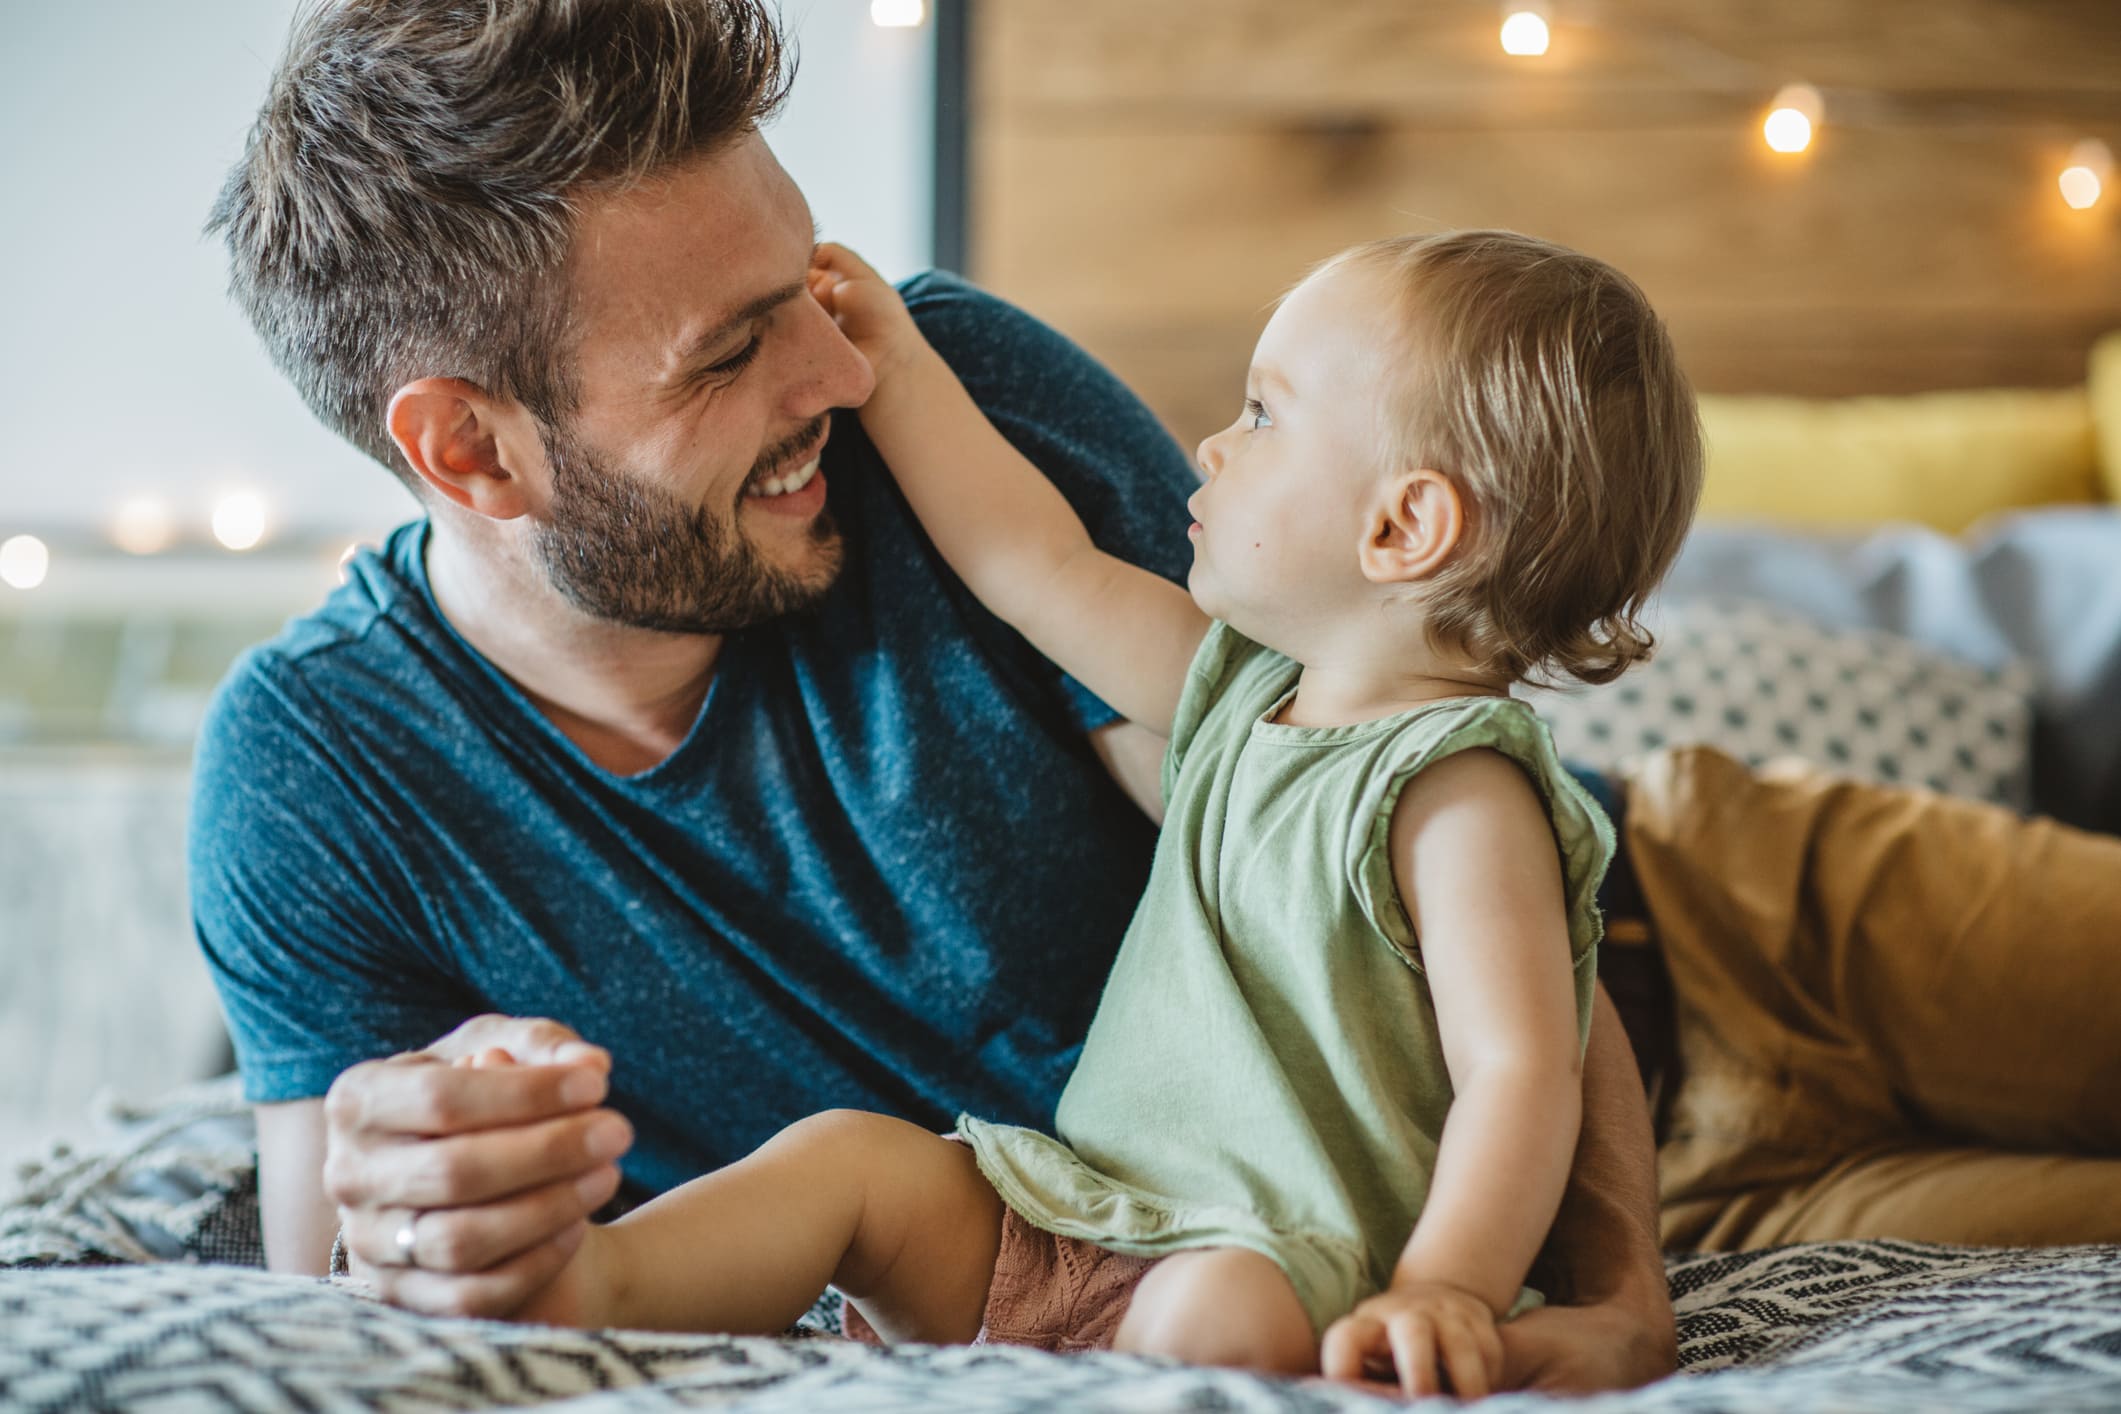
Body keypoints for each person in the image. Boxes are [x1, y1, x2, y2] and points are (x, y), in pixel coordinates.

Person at [192, 0, 1675, 1392]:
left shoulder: (950, 390)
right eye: (730, 351)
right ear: (470, 452)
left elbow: (1419, 862)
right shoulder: (319, 771)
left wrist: (1613, 1288)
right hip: (1062, 1222)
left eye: (810, 285)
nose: (840, 368)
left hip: (1669, 921)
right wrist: (422, 1213)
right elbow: (325, 1286)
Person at [472, 230, 1703, 1400]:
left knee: (1215, 1320)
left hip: (1287, 1262)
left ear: (1404, 528)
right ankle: (599, 1280)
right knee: (849, 1158)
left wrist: (1448, 1289)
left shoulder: (1459, 790)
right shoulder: (1236, 692)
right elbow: (1032, 566)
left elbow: (1521, 1067)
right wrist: (897, 370)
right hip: (1077, 1211)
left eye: (1264, 416)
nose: (1214, 447)